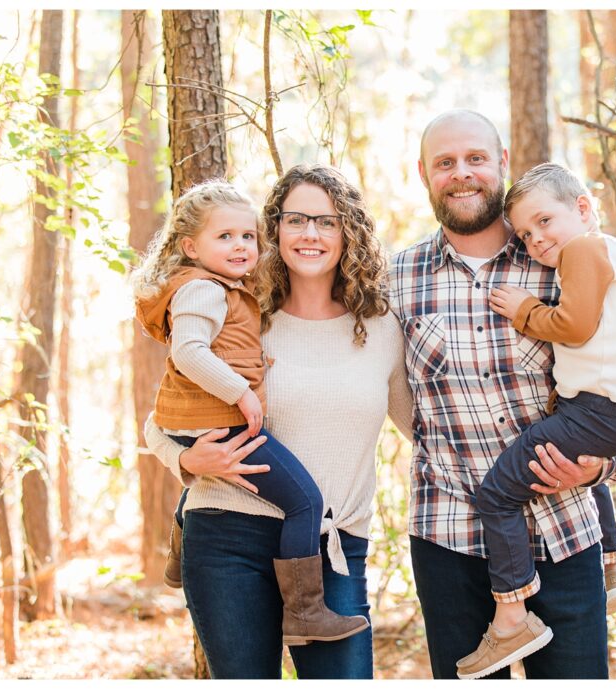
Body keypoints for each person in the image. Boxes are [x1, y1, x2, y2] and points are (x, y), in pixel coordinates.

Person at [389, 109, 616, 679]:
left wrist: (600, 467)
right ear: (424, 174)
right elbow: (384, 388)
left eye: (476, 159)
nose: (462, 173)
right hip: (448, 533)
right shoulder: (400, 277)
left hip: (563, 530)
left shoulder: (555, 256)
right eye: (446, 163)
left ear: (502, 163)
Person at [143, 164, 413, 679]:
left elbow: (423, 430)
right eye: (296, 220)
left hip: (331, 548)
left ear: (348, 231)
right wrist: (185, 458)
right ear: (275, 230)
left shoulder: (380, 329)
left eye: (327, 221)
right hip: (227, 538)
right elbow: (164, 417)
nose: (311, 234)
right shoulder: (241, 315)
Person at [456, 162, 616, 677]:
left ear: (584, 208)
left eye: (545, 221)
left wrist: (524, 309)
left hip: (598, 408)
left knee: (497, 493)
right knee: (584, 479)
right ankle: (611, 567)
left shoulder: (585, 249)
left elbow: (574, 324)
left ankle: (511, 618)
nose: (536, 239)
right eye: (525, 233)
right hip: (614, 409)